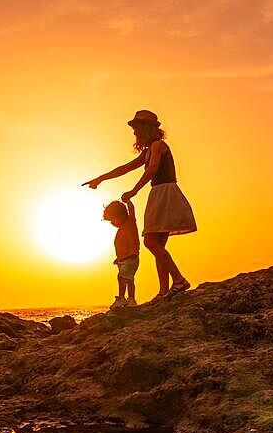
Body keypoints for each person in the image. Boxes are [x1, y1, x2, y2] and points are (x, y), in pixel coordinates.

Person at [83, 110, 196, 304]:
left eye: (136, 130)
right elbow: (124, 168)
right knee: (158, 245)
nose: (135, 134)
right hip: (159, 193)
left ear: (146, 129)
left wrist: (134, 190)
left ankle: (178, 279)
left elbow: (152, 169)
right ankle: (163, 291)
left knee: (150, 242)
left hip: (164, 193)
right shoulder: (148, 151)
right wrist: (101, 179)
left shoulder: (159, 146)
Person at [102, 199, 140, 310]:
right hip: (125, 259)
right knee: (129, 280)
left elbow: (132, 210)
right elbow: (122, 247)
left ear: (122, 215)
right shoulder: (121, 229)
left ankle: (121, 298)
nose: (112, 223)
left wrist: (128, 200)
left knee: (121, 278)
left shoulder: (130, 223)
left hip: (131, 258)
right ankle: (131, 299)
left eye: (113, 219)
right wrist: (118, 258)